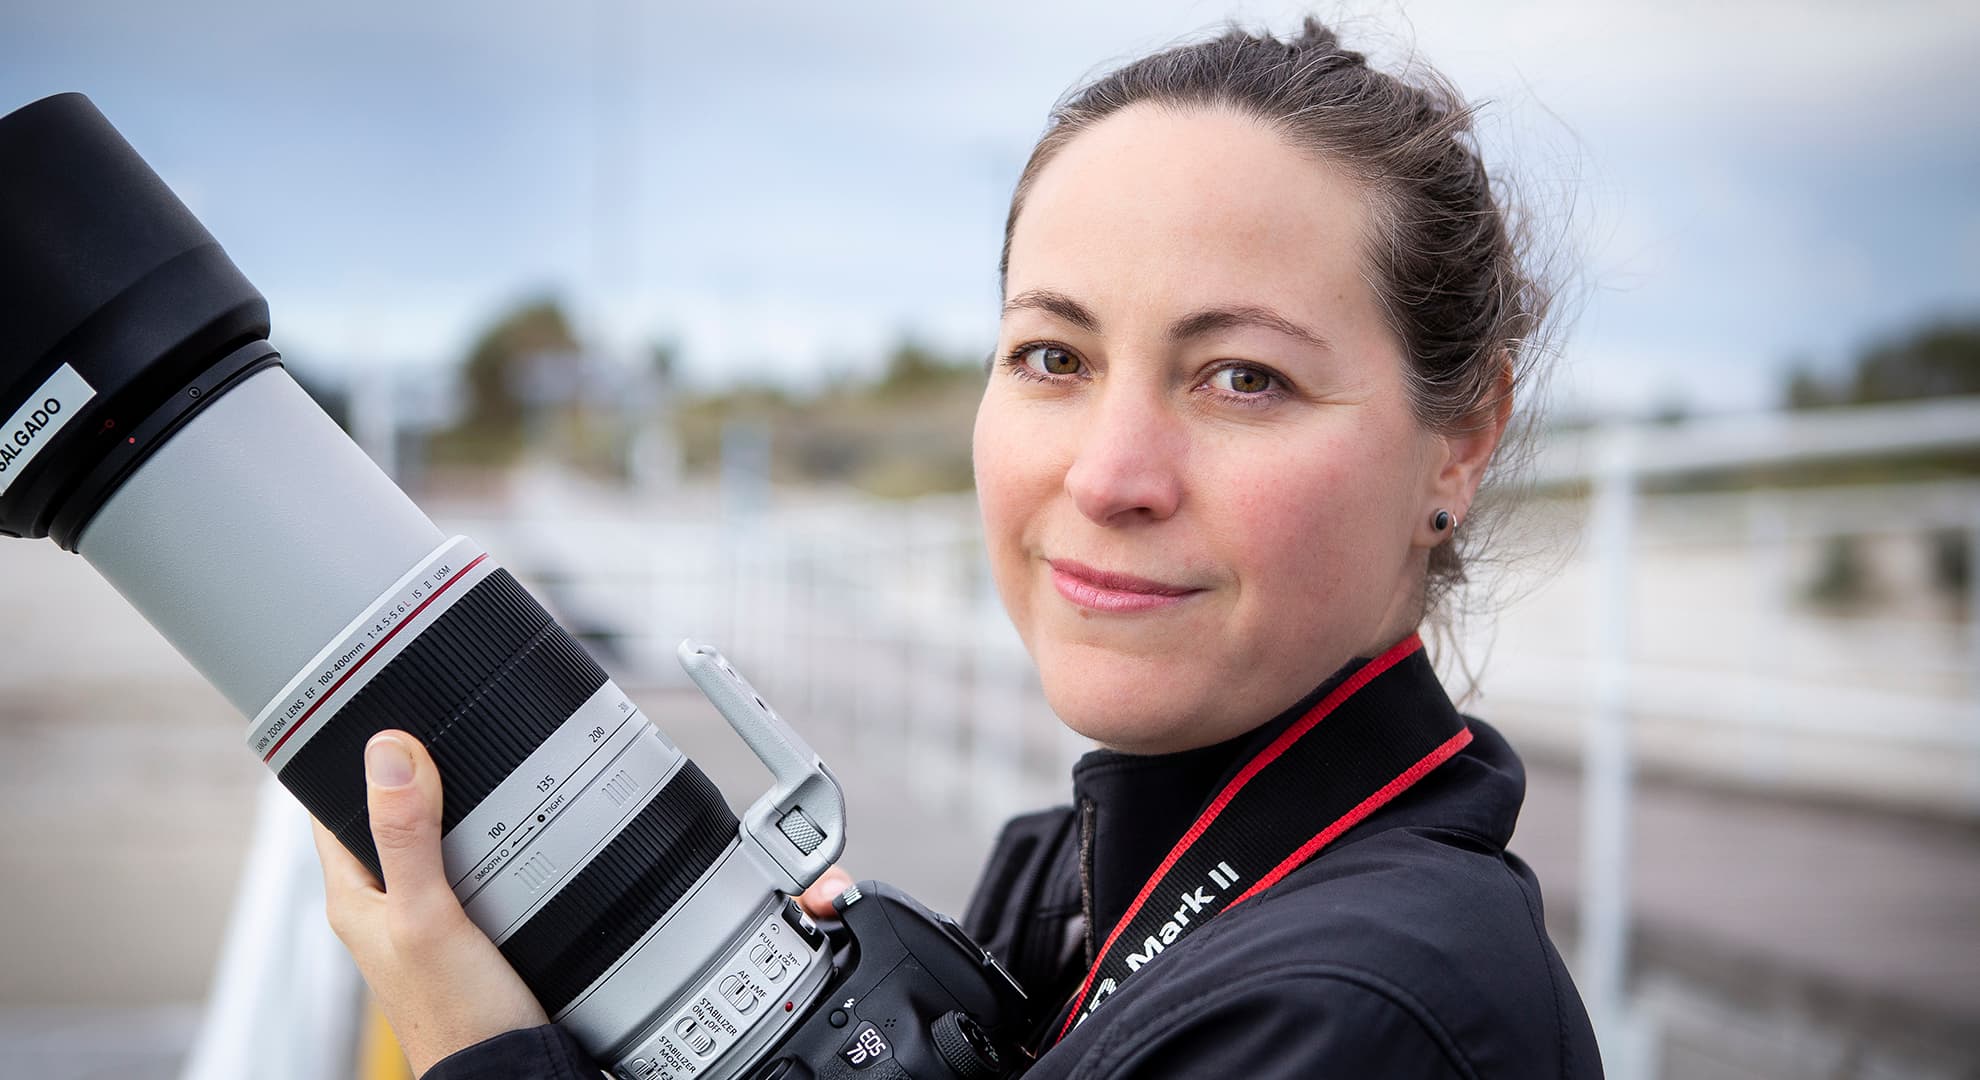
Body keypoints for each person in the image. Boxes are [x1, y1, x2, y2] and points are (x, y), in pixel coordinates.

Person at [311, 16, 1602, 1078]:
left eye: (1243, 378)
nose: (1108, 475)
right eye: (1054, 357)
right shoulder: (1083, 890)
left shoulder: (1360, 1023)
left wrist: (473, 1054)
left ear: (1460, 439)